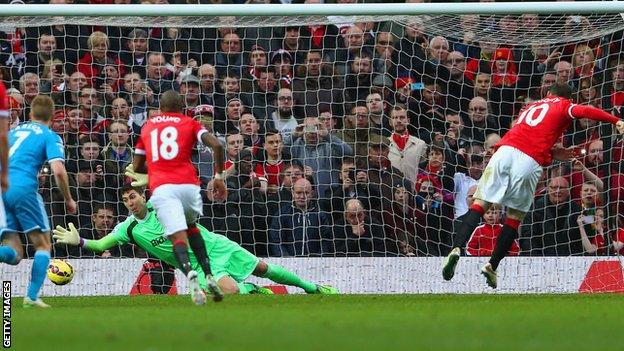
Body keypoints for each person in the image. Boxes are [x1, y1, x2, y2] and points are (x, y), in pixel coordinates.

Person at [442, 82, 624, 289]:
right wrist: (615, 120)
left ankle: (456, 248)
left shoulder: (532, 107)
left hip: (504, 152)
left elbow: (533, 136)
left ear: (547, 93)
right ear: (567, 98)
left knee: (479, 204)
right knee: (514, 217)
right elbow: (585, 110)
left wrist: (554, 153)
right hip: (528, 161)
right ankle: (492, 266)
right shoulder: (564, 105)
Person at [53, 185, 337, 295]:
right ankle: (250, 289)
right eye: (126, 198)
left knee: (264, 268)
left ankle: (312, 287)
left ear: (143, 196)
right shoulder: (128, 229)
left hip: (213, 245)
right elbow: (101, 246)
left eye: (134, 196)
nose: (130, 201)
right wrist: (79, 242)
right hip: (196, 267)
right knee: (230, 291)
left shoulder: (160, 206)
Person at [126, 90, 227, 305]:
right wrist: (218, 176)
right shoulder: (190, 122)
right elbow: (217, 145)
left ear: (160, 108)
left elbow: (136, 166)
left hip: (163, 188)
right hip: (189, 186)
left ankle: (190, 274)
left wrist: (154, 167)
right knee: (191, 227)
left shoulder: (148, 127)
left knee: (176, 237)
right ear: (182, 107)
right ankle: (208, 274)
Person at [0, 95, 76, 308]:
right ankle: (31, 297)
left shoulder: (12, 133)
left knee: (14, 254)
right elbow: (59, 171)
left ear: (30, 113)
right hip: (22, 188)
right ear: (52, 117)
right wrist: (69, 199)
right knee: (43, 244)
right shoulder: (49, 135)